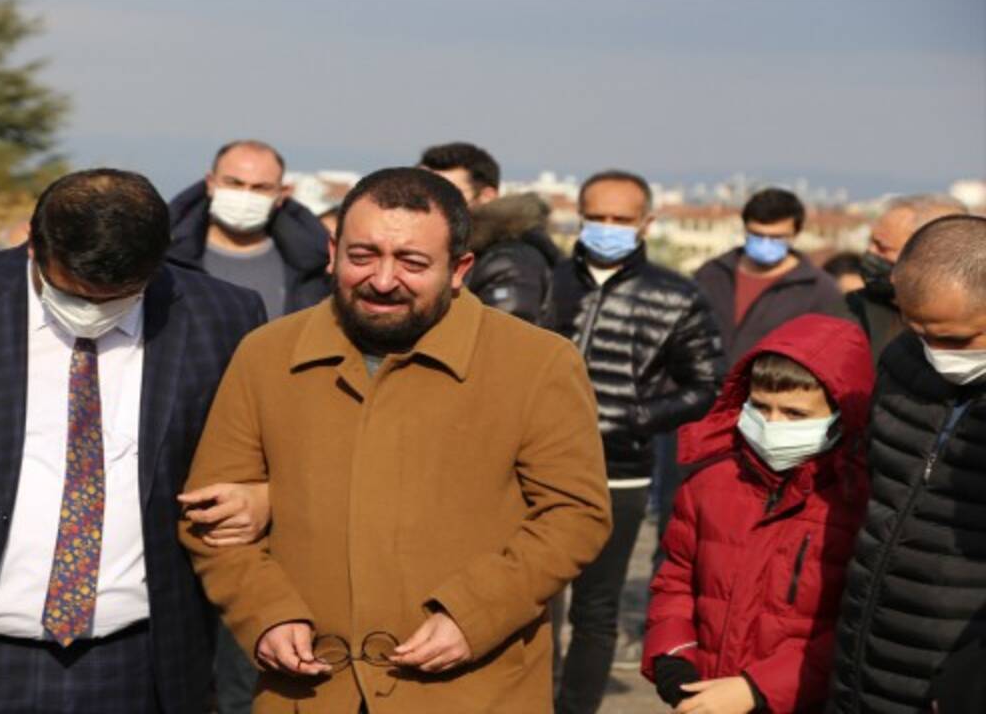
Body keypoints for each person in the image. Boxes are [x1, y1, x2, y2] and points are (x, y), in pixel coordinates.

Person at [0, 168, 267, 713]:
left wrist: (262, 495)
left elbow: (256, 455)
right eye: (75, 292)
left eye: (118, 297)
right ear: (35, 246)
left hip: (137, 659)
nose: (94, 311)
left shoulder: (221, 316)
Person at [181, 167, 612, 713]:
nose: (384, 280)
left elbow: (574, 516)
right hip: (309, 691)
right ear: (332, 252)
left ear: (459, 270)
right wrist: (264, 612)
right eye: (363, 256)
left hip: (474, 691)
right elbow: (213, 515)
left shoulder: (537, 363)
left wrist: (474, 614)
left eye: (412, 263)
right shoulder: (266, 355)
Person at [550, 169, 725, 714]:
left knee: (595, 610)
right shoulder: (550, 282)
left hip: (619, 471)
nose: (608, 228)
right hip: (532, 465)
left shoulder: (676, 295)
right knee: (529, 597)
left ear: (646, 222)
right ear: (578, 217)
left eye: (621, 219)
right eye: (597, 217)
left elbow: (708, 383)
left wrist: (638, 416)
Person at [643, 314, 874, 713]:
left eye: (795, 414)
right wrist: (674, 655)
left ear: (842, 415)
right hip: (708, 694)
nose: (772, 425)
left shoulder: (858, 505)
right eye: (761, 407)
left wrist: (758, 689)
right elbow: (676, 579)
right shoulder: (710, 483)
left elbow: (859, 622)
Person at [831, 214, 986, 714]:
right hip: (866, 652)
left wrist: (971, 681)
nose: (937, 354)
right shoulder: (902, 360)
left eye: (957, 340)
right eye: (918, 331)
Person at [168, 140, 331, 318]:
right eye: (234, 183)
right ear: (210, 183)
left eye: (261, 188)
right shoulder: (170, 255)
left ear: (282, 194)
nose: (245, 195)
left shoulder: (314, 264)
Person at [419, 141, 563, 326]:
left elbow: (502, 336)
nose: (429, 203)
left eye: (445, 193)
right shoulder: (444, 246)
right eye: (419, 193)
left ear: (487, 196)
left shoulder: (510, 261)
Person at [694, 188, 845, 363]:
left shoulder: (819, 290)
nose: (765, 243)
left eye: (776, 237)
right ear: (745, 229)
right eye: (757, 235)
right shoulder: (712, 275)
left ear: (796, 234)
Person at [845, 194, 968, 365]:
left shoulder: (971, 321)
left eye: (882, 247)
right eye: (871, 242)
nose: (870, 252)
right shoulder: (850, 309)